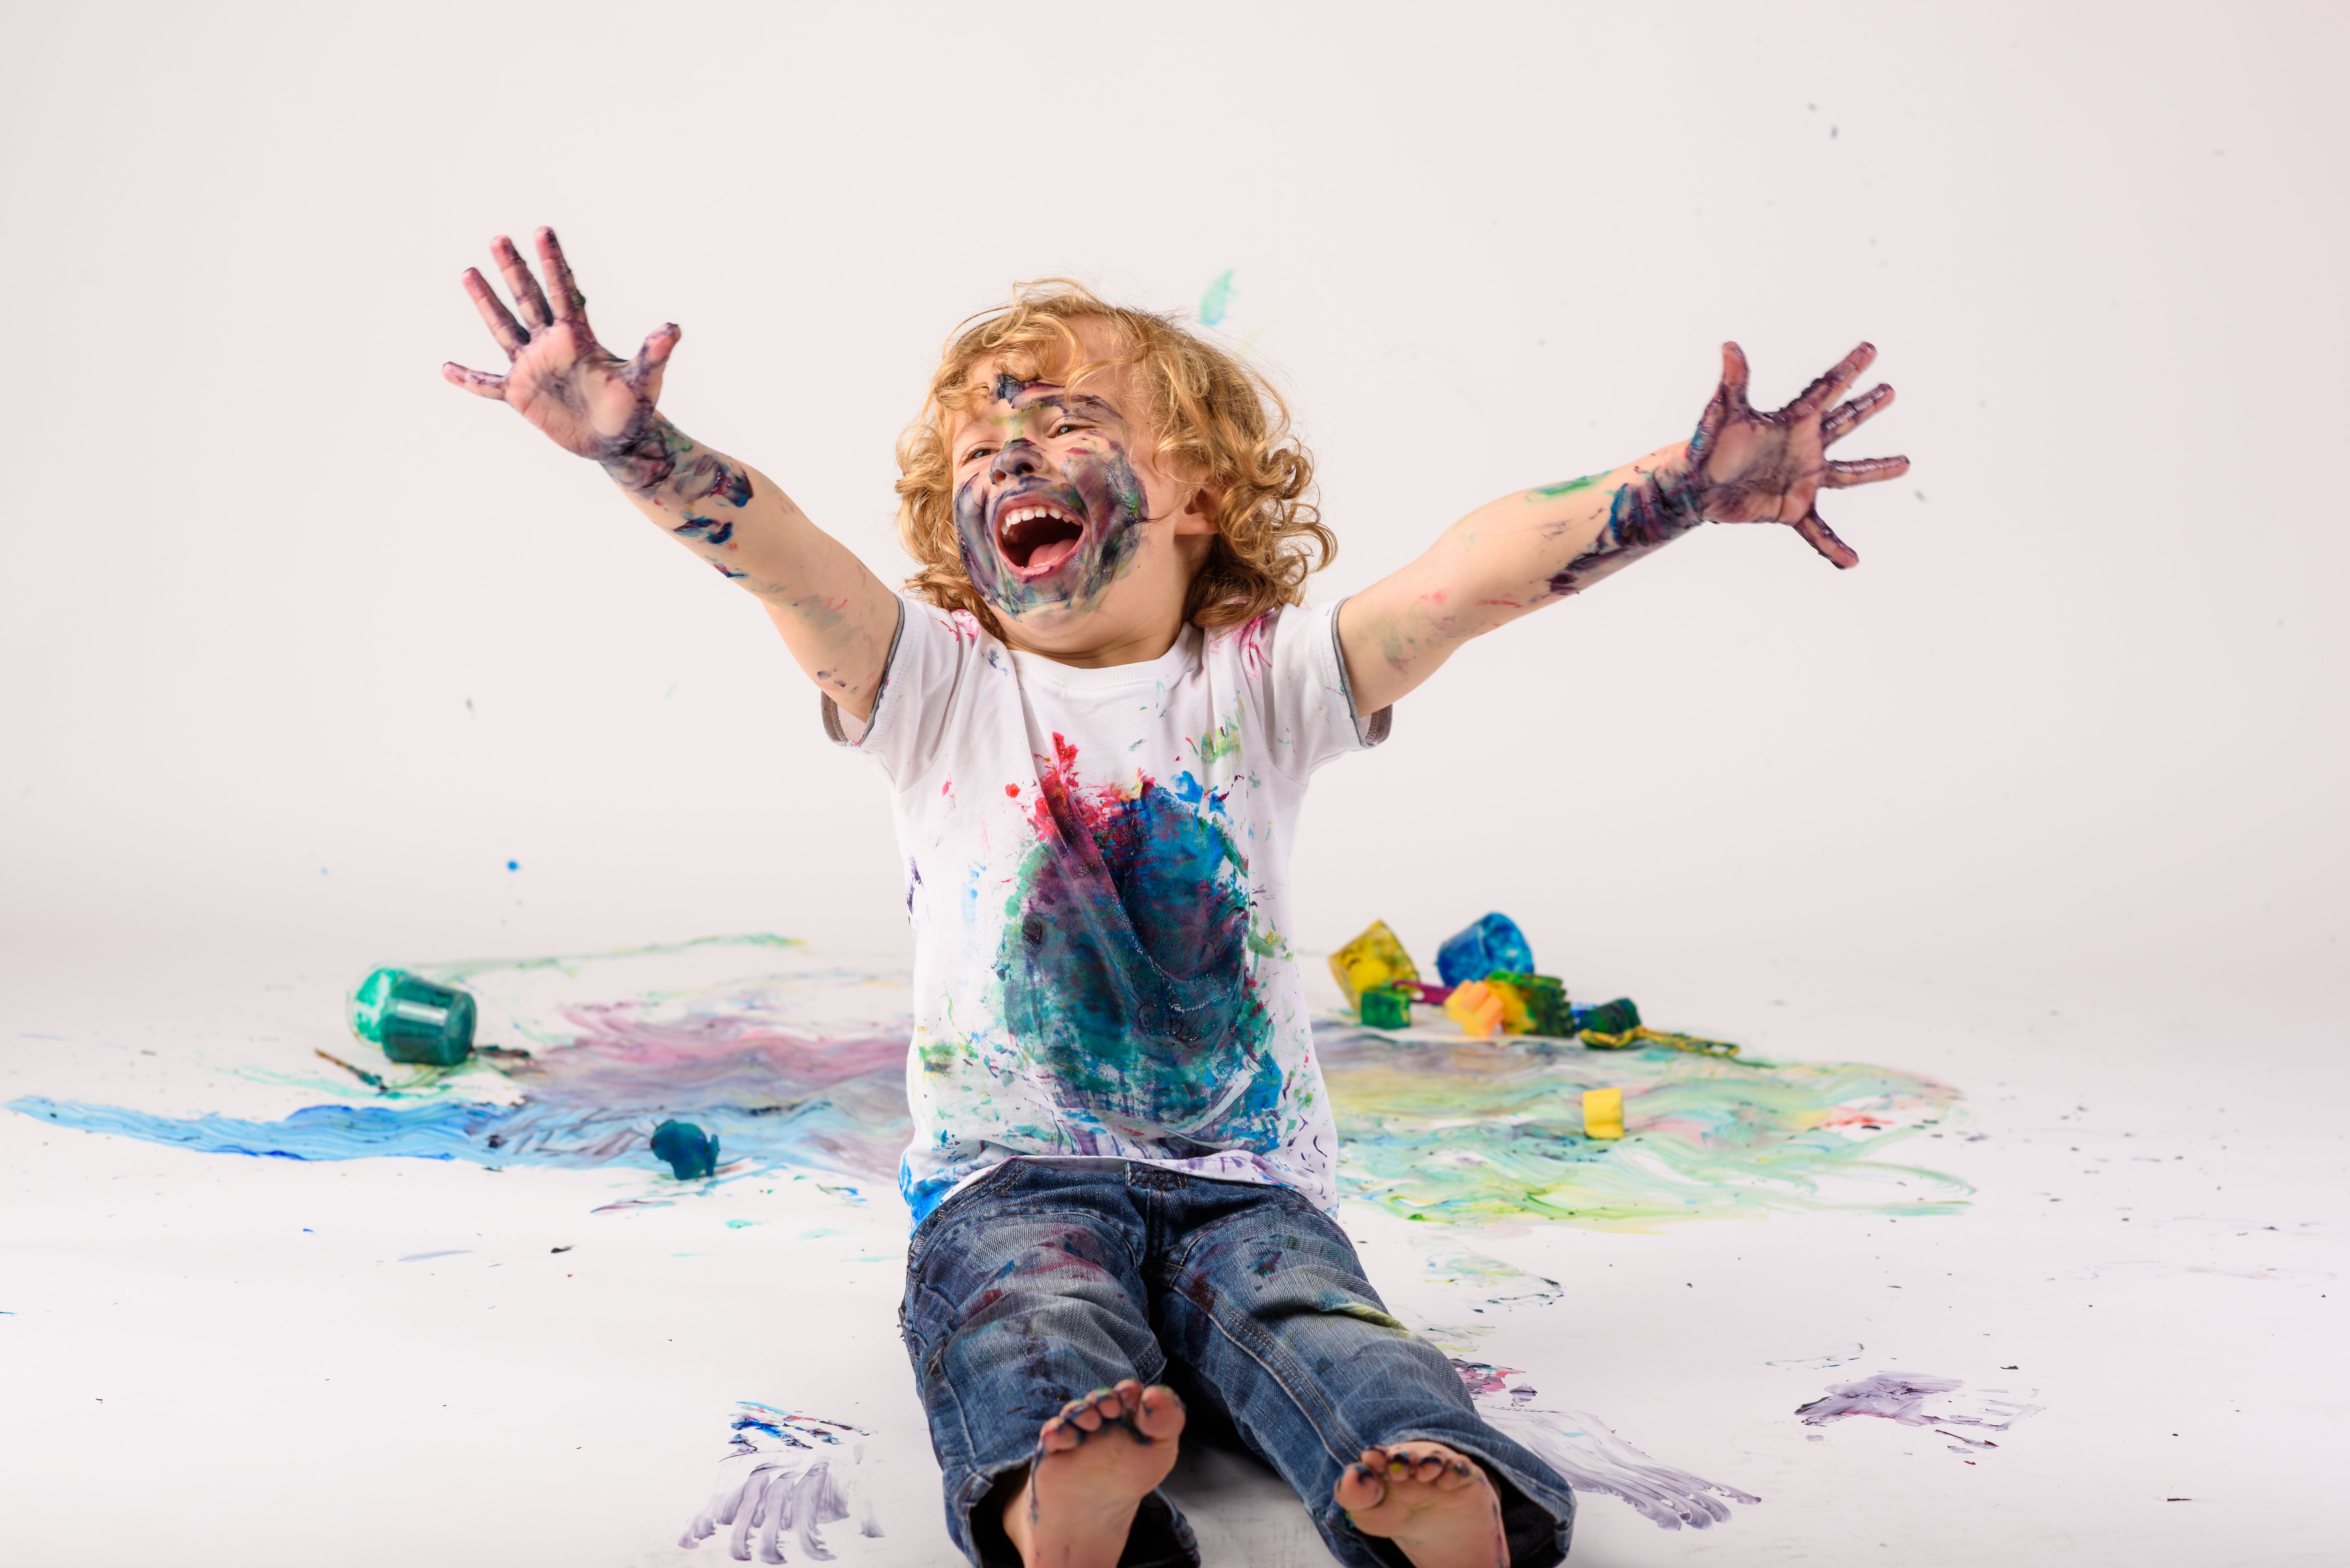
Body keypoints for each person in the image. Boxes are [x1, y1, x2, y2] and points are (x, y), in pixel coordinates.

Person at [443, 228, 1907, 1568]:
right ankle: (1054, 1495)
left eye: (1066, 418)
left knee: (1319, 1323)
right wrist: (635, 447)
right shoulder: (934, 689)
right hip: (1012, 1180)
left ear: (1199, 498)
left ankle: (1414, 1476)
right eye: (980, 441)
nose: (1012, 447)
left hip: (1245, 1187)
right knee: (1022, 1322)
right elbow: (785, 562)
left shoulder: (1260, 684)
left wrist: (1668, 494)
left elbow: (1465, 584)